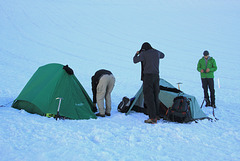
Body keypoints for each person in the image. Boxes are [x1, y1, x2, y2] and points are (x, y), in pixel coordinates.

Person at [133, 42, 165, 124]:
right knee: (155, 96)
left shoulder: (144, 54)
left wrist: (136, 54)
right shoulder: (156, 53)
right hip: (156, 77)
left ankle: (152, 118)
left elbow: (135, 60)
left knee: (149, 97)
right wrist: (154, 50)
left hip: (148, 77)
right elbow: (163, 55)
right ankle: (157, 115)